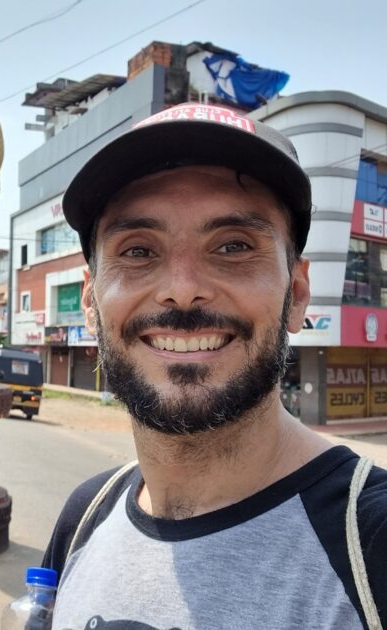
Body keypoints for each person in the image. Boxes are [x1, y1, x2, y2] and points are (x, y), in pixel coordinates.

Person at [41, 103, 387, 630]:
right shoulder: (84, 517)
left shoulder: (372, 541)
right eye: (137, 251)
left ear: (296, 294)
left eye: (232, 246)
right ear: (90, 302)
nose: (181, 290)